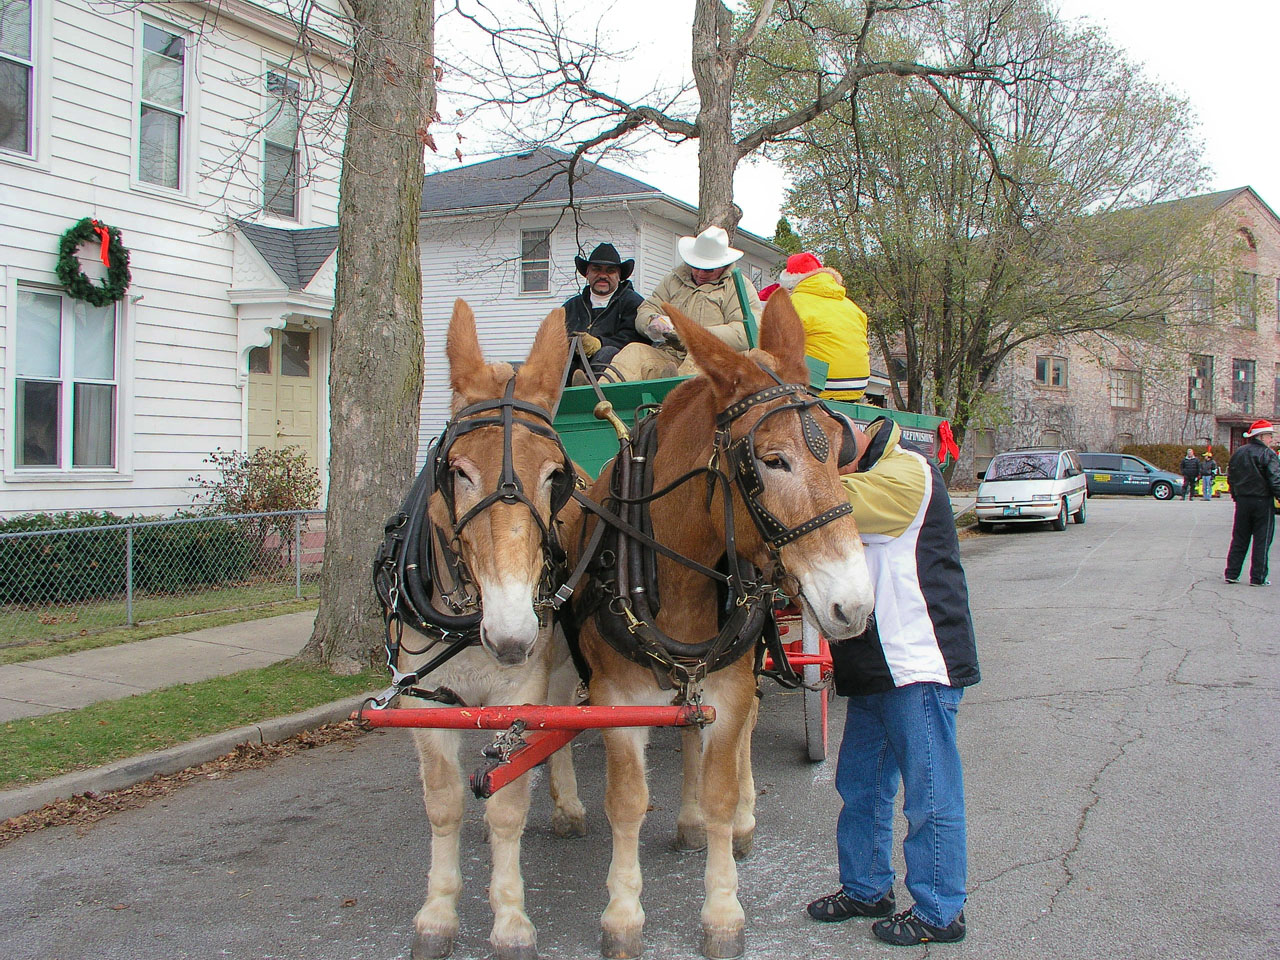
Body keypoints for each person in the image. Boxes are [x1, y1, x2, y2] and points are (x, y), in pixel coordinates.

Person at [807, 416, 980, 946]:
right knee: (860, 786)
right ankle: (866, 888)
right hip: (873, 667)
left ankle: (939, 911)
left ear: (852, 448)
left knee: (929, 795)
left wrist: (782, 475)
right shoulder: (867, 469)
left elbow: (821, 502)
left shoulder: (909, 473)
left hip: (916, 664)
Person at [624, 225, 762, 379]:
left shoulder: (738, 286)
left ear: (722, 266)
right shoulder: (673, 280)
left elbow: (746, 332)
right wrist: (652, 321)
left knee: (696, 360)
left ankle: (671, 399)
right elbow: (647, 308)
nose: (700, 274)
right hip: (671, 354)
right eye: (695, 267)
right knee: (633, 352)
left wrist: (693, 335)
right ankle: (600, 400)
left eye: (709, 270)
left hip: (718, 361)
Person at [777, 251, 870, 401]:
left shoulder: (793, 303)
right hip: (858, 386)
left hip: (821, 385)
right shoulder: (852, 306)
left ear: (790, 282)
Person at [561, 243, 648, 385]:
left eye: (610, 271)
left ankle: (586, 390)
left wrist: (599, 343)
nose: (602, 275)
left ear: (619, 275)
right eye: (596, 269)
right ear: (587, 273)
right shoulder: (571, 307)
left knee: (608, 352)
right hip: (571, 370)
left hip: (614, 376)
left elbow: (636, 340)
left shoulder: (633, 303)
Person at [1224, 419, 1280, 586]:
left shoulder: (1239, 453)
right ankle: (1258, 577)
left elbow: (1231, 478)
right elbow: (1275, 479)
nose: (1271, 439)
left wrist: (1236, 496)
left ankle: (1232, 573)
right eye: (1269, 435)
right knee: (1262, 540)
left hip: (1242, 501)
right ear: (1261, 436)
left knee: (1240, 538)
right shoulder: (1268, 454)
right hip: (1262, 501)